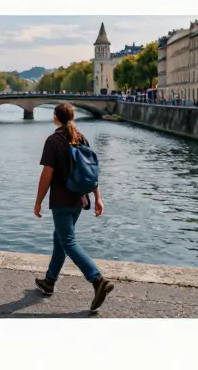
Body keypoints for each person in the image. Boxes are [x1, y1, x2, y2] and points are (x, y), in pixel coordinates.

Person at [33, 102, 114, 312]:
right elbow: (91, 171)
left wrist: (38, 201)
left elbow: (47, 175)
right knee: (60, 238)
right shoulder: (81, 137)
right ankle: (49, 281)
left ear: (55, 117)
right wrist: (98, 197)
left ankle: (97, 280)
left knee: (67, 241)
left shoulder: (53, 140)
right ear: (72, 116)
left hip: (61, 200)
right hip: (80, 199)